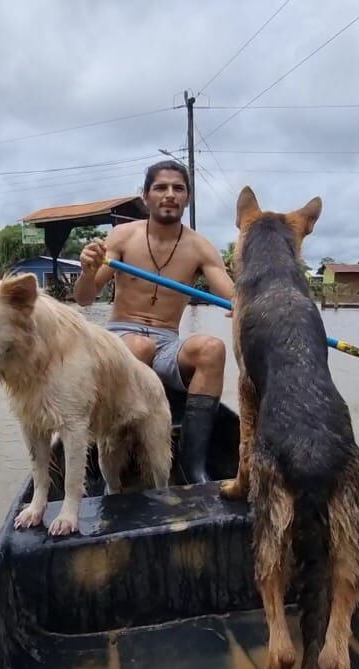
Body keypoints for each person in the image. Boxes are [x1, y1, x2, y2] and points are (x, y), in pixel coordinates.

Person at [74, 160, 234, 485]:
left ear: (187, 198)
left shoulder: (200, 247)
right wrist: (88, 271)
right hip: (121, 341)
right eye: (161, 188)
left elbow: (232, 294)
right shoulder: (122, 237)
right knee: (138, 346)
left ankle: (193, 466)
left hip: (167, 344)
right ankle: (109, 464)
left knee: (213, 349)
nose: (170, 195)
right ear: (146, 196)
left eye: (178, 188)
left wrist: (244, 302)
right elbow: (85, 298)